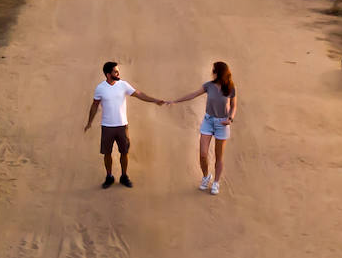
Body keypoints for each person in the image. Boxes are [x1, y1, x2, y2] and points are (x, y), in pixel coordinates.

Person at [84, 60, 165, 189]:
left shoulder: (123, 85)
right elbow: (94, 105)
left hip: (122, 126)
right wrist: (89, 122)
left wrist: (155, 100)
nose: (118, 72)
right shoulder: (100, 88)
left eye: (117, 70)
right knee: (107, 153)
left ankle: (124, 176)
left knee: (124, 152)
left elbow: (139, 94)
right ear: (108, 74)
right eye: (115, 71)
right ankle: (109, 176)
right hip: (107, 126)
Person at [169, 61, 236, 195]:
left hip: (222, 123)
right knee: (203, 154)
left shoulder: (230, 87)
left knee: (219, 157)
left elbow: (234, 105)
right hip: (208, 121)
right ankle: (206, 177)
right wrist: (175, 101)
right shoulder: (208, 86)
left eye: (214, 70)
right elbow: (193, 94)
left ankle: (216, 183)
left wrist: (230, 118)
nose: (212, 72)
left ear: (219, 72)